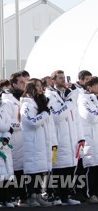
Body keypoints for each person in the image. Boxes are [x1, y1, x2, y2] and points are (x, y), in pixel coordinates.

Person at [45, 70, 83, 205]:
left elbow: (76, 119)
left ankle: (66, 195)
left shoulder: (69, 96)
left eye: (64, 77)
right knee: (57, 168)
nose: (63, 80)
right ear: (53, 80)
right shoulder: (49, 96)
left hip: (71, 138)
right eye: (60, 78)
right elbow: (56, 116)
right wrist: (68, 102)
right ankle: (54, 195)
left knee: (69, 168)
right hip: (58, 139)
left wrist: (80, 137)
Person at [20, 79, 54, 207]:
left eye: (41, 86)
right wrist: (45, 114)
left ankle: (38, 194)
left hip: (41, 141)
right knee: (32, 170)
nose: (41, 88)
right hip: (32, 142)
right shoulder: (27, 104)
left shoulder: (40, 101)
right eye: (38, 86)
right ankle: (31, 195)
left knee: (40, 170)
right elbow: (32, 122)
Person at [0, 72, 26, 206]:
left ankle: (23, 196)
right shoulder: (7, 100)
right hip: (13, 140)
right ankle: (14, 196)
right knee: (14, 170)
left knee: (22, 169)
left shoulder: (25, 98)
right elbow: (9, 123)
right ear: (14, 84)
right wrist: (24, 125)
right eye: (21, 82)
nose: (24, 84)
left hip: (24, 140)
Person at [77, 76, 98, 204]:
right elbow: (91, 116)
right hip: (89, 138)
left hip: (96, 137)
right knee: (91, 167)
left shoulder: (95, 99)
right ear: (89, 87)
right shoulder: (83, 99)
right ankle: (90, 193)